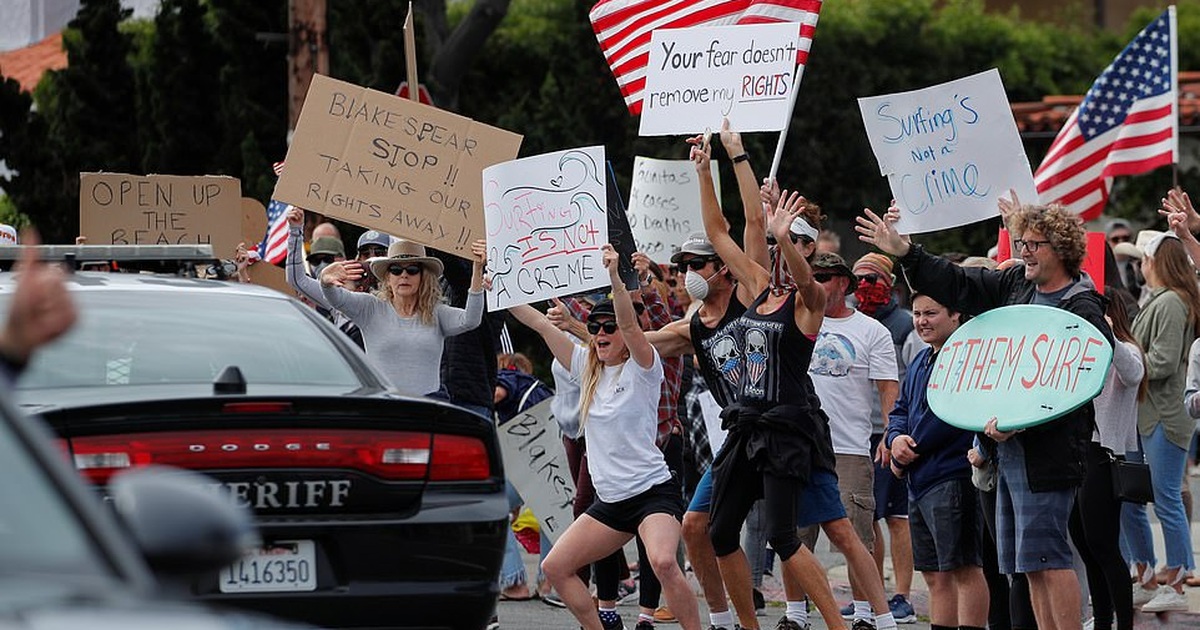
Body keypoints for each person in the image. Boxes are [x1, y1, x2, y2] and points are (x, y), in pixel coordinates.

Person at [856, 200, 1112, 630]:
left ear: (1062, 249)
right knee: (1029, 565)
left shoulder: (1081, 307)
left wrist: (1022, 421)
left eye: (1034, 244)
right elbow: (957, 282)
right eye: (1022, 242)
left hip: (1048, 453)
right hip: (1005, 451)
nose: (1024, 251)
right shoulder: (1015, 284)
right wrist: (907, 253)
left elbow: (1080, 383)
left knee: (1050, 559)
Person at [692, 131, 846, 630]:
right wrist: (703, 170)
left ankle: (837, 625)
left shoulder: (808, 303)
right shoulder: (758, 287)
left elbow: (805, 280)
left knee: (783, 536)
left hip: (784, 430)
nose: (779, 255)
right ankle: (749, 625)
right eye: (780, 247)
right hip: (746, 428)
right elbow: (718, 234)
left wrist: (782, 232)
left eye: (791, 246)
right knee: (718, 533)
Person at [509, 244, 701, 630]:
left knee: (664, 562)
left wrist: (614, 276)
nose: (600, 333)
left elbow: (631, 327)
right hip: (611, 502)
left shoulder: (644, 367)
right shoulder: (586, 366)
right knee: (556, 567)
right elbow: (540, 324)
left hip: (651, 493)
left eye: (607, 327)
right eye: (594, 328)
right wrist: (499, 282)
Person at [801, 252, 903, 629]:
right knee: (795, 535)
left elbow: (887, 388)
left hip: (848, 448)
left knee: (858, 537)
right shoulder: (797, 317)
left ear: (843, 283)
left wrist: (891, 434)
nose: (816, 282)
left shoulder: (872, 330)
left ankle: (865, 614)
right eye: (812, 275)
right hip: (801, 445)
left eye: (824, 277)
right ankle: (797, 614)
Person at [886, 293, 988, 630]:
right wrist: (894, 438)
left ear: (955, 314)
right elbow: (900, 407)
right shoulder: (920, 359)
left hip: (951, 475)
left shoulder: (964, 358)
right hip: (920, 480)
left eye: (931, 313)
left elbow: (949, 415)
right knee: (933, 573)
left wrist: (908, 451)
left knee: (963, 568)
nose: (921, 321)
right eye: (916, 313)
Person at [1124, 230, 1199, 612]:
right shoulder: (1163, 300)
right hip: (1146, 414)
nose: (1140, 265)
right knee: (1129, 498)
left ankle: (1179, 582)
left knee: (1166, 498)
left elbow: (1165, 362)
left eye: (1144, 258)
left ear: (1157, 262)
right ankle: (1147, 576)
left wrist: (1124, 360)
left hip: (1164, 416)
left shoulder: (1171, 301)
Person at [317, 237, 485, 396]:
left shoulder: (437, 312)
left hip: (429, 408)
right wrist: (325, 281)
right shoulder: (370, 308)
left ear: (422, 277)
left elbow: (471, 319)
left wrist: (477, 270)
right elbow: (336, 299)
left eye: (412, 270)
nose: (404, 275)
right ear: (388, 278)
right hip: (384, 407)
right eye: (396, 270)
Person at [1069, 288, 1144, 630]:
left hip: (1104, 453)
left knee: (1103, 545)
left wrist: (1108, 333)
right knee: (1085, 545)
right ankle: (1101, 618)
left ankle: (1121, 622)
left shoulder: (1124, 349)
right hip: (1076, 453)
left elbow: (1133, 374)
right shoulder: (1087, 352)